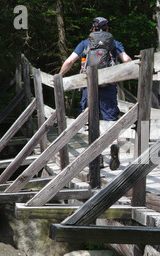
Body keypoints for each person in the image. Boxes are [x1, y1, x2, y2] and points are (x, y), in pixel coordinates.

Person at [59, 17, 132, 170]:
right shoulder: (114, 43)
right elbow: (126, 59)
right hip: (109, 86)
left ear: (93, 28)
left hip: (89, 87)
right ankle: (114, 146)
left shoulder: (85, 43)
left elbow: (69, 62)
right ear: (107, 28)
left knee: (91, 120)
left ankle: (96, 156)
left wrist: (59, 76)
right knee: (111, 119)